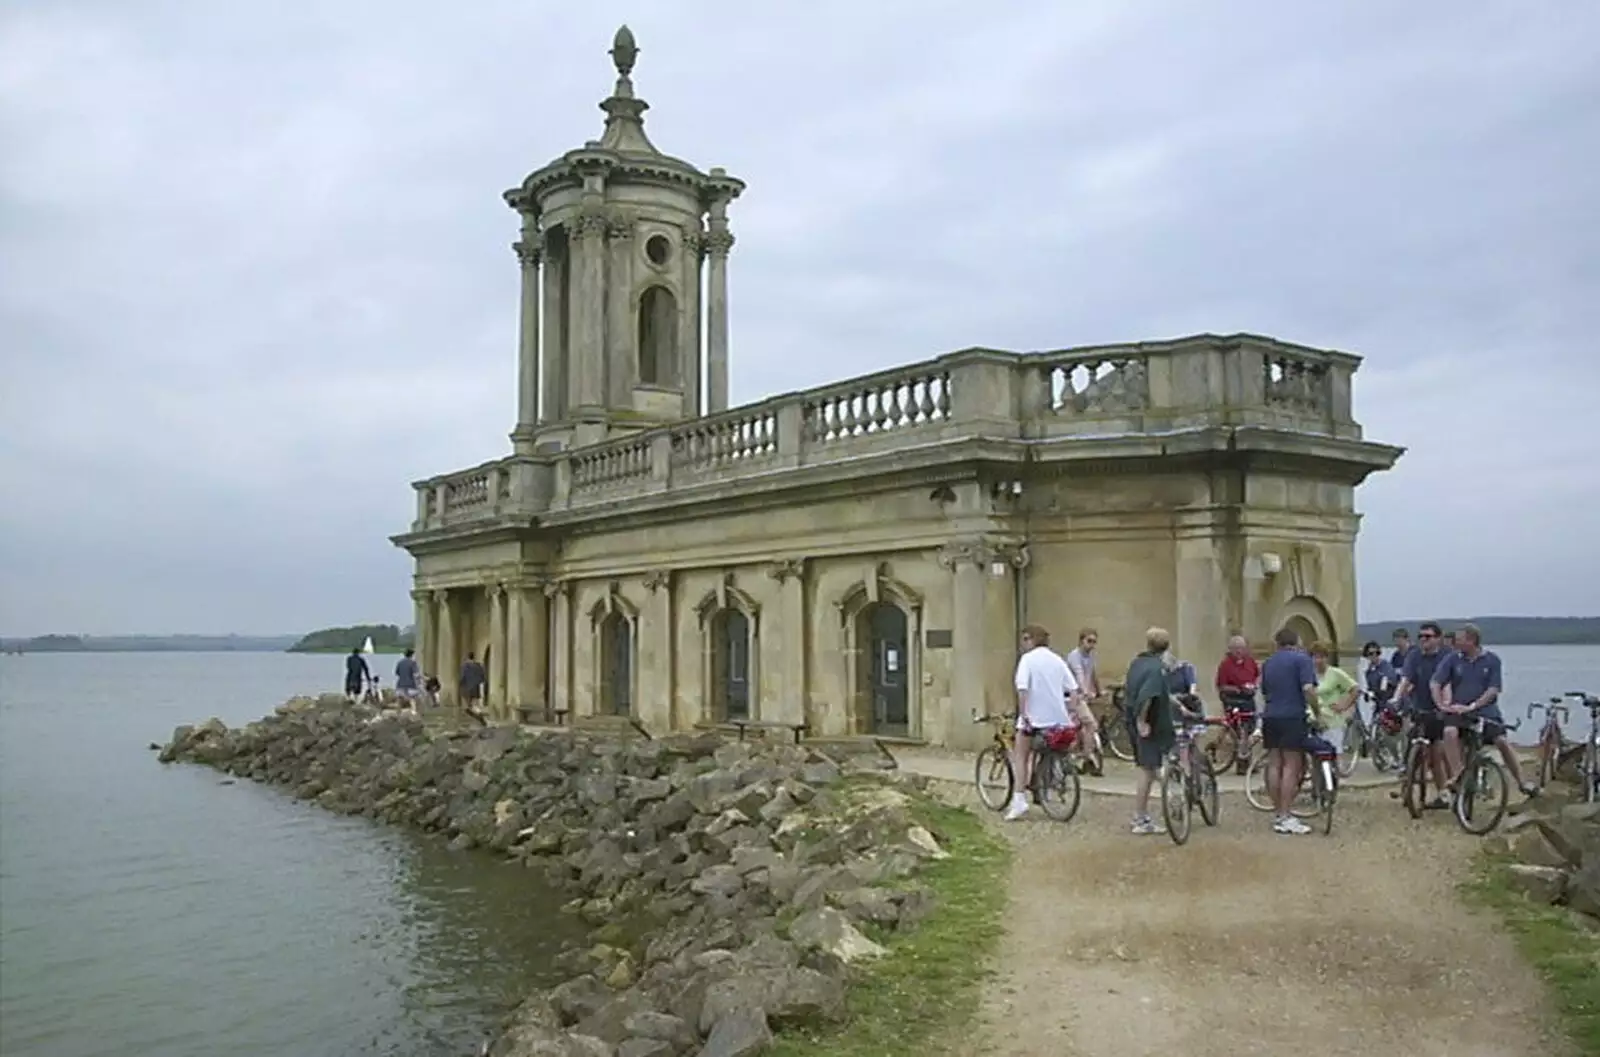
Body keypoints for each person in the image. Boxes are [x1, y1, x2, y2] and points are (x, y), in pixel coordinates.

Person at [1432, 622, 1536, 798]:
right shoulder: (1452, 659)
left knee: (1501, 741)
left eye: (1459, 640)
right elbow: (1436, 682)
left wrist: (1474, 706)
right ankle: (1459, 775)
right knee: (1450, 732)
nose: (1456, 643)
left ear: (1471, 640)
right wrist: (1441, 704)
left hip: (1485, 711)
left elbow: (1493, 689)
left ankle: (1522, 782)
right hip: (1459, 711)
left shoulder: (1492, 660)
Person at [1006, 624, 1079, 821]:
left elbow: (1022, 689)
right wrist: (1072, 714)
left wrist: (1024, 715)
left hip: (1035, 718)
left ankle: (1019, 799)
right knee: (1051, 749)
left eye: (1024, 640)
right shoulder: (1057, 660)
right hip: (1058, 719)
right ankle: (1046, 782)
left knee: (1021, 756)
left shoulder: (1027, 660)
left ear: (1030, 639)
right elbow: (1073, 690)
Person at [1259, 626, 1320, 835]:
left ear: (1277, 643)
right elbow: (1308, 689)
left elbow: (1265, 691)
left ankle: (1278, 813)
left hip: (1270, 715)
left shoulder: (1268, 663)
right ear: (1297, 641)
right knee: (1291, 765)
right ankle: (1286, 815)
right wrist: (1317, 710)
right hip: (1292, 716)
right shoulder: (1302, 660)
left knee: (1274, 763)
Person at [1392, 620, 1452, 809]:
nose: (1423, 640)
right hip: (1419, 708)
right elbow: (1405, 679)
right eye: (1421, 637)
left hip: (1440, 710)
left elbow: (1448, 683)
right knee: (1413, 749)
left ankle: (1444, 793)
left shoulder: (1446, 657)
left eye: (1428, 636)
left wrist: (1446, 704)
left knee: (1436, 755)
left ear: (1438, 639)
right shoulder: (1414, 656)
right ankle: (1407, 788)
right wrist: (1396, 698)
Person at [1123, 627, 1177, 835]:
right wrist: (1142, 721)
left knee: (1152, 769)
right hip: (1150, 726)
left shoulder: (1138, 663)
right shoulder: (1156, 668)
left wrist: (1178, 706)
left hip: (1135, 722)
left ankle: (1172, 797)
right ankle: (1141, 818)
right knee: (1147, 770)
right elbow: (1148, 696)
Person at [1309, 642, 1359, 767]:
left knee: (1334, 752)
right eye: (1315, 657)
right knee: (1316, 754)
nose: (1318, 660)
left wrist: (1344, 705)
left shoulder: (1335, 673)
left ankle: (1335, 777)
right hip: (1313, 718)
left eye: (1321, 657)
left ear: (1326, 658)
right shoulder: (1308, 675)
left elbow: (1355, 689)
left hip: (1332, 718)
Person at [1063, 628, 1103, 770]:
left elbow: (1093, 674)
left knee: (1080, 728)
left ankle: (1080, 755)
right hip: (1072, 697)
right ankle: (1086, 756)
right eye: (1089, 641)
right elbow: (1079, 674)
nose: (1092, 645)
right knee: (1091, 724)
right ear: (1081, 641)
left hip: (1081, 697)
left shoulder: (1090, 657)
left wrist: (1099, 690)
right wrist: (1085, 691)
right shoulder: (1074, 656)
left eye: (1094, 642)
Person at [459, 652, 487, 722]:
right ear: (473, 657)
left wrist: (461, 684)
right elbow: (482, 678)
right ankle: (479, 713)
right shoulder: (478, 666)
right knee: (473, 704)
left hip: (468, 688)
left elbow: (462, 677)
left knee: (468, 705)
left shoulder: (465, 666)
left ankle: (478, 714)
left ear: (468, 657)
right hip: (476, 688)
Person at [394, 648, 421, 713]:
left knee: (399, 700)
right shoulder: (413, 663)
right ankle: (413, 713)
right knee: (412, 699)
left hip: (400, 684)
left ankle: (398, 714)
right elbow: (416, 674)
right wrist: (419, 681)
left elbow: (397, 673)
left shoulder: (400, 662)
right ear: (412, 655)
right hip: (410, 684)